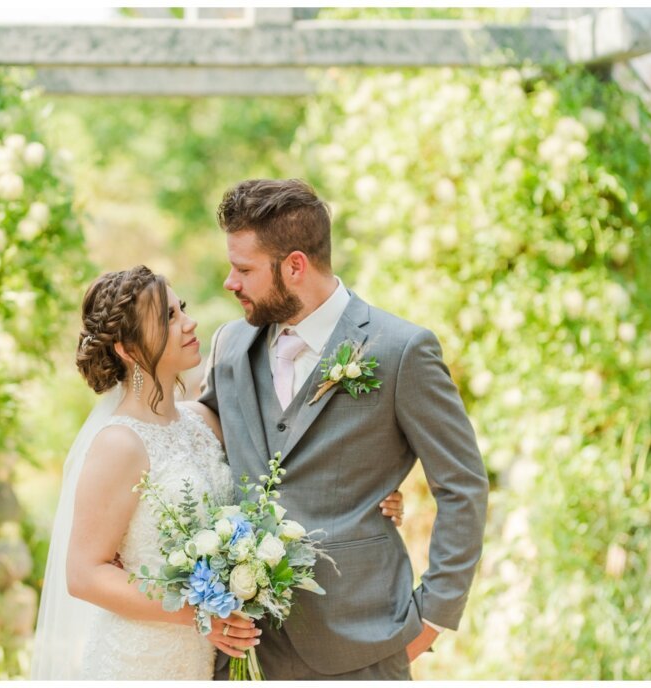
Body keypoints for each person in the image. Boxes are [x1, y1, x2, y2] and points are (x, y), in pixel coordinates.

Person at [30, 265, 405, 680]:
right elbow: (85, 575)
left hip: (204, 658)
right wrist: (201, 614)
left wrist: (374, 491)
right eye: (168, 318)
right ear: (127, 349)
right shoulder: (118, 444)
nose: (188, 323)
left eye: (182, 308)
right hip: (139, 658)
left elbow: (288, 465)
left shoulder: (204, 423)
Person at [200, 179, 489, 681]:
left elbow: (462, 485)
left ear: (295, 265)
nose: (230, 282)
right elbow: (199, 451)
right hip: (244, 650)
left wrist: (432, 617)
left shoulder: (400, 350)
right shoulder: (229, 345)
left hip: (364, 644)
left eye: (244, 269)